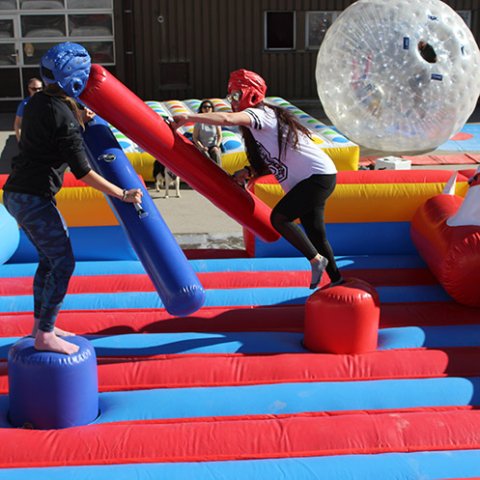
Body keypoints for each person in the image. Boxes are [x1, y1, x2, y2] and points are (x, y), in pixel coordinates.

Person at [2, 42, 142, 355]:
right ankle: (45, 334)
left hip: (17, 192)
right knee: (63, 263)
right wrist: (123, 193)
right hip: (32, 196)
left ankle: (41, 326)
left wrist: (80, 114)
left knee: (49, 261)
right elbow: (83, 173)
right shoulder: (65, 118)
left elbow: (55, 118)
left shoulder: (38, 100)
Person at [171, 69, 344, 290]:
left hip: (317, 176)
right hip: (313, 178)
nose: (232, 101)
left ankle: (316, 260)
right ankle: (336, 279)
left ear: (250, 95)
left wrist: (187, 117)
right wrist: (248, 171)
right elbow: (269, 162)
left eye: (235, 96)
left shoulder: (261, 114)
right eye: (230, 97)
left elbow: (226, 118)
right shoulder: (260, 124)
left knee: (280, 218)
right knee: (316, 235)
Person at [192, 100, 223, 166]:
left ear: (212, 109)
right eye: (205, 107)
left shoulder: (216, 121)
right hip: (203, 146)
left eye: (209, 107)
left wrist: (217, 146)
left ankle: (220, 173)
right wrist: (201, 147)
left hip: (213, 146)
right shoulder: (199, 122)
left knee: (216, 153)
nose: (207, 109)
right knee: (206, 155)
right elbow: (195, 137)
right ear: (201, 109)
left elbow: (220, 135)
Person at [13, 77, 44, 142]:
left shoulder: (48, 102)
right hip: (31, 140)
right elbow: (17, 123)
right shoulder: (24, 104)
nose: (37, 91)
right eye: (34, 89)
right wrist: (19, 140)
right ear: (29, 89)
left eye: (39, 88)